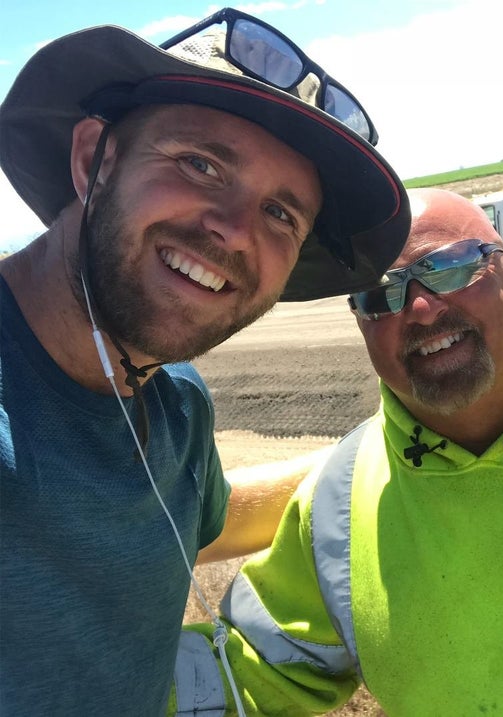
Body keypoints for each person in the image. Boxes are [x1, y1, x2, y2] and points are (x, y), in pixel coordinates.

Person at [0, 8, 410, 715]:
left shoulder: (176, 403)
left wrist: (383, 455)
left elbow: (205, 522)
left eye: (283, 214)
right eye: (200, 163)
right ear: (91, 159)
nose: (234, 230)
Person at [175, 188, 503, 716]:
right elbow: (254, 668)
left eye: (450, 267)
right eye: (379, 293)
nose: (419, 308)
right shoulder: (339, 501)